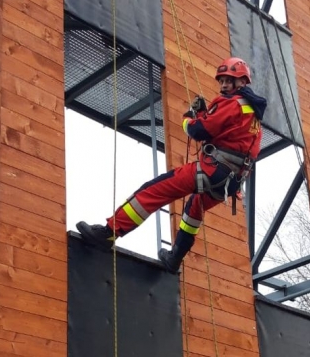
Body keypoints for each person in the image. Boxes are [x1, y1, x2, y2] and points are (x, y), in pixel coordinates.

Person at [76, 57, 267, 273]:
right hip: (230, 183)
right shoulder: (253, 114)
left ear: (242, 81)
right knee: (194, 209)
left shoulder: (232, 103)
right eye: (221, 81)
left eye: (228, 81)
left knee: (154, 190)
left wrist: (189, 118)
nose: (223, 85)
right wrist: (205, 115)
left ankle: (109, 233)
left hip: (212, 170)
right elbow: (226, 133)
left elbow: (198, 131)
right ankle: (175, 257)